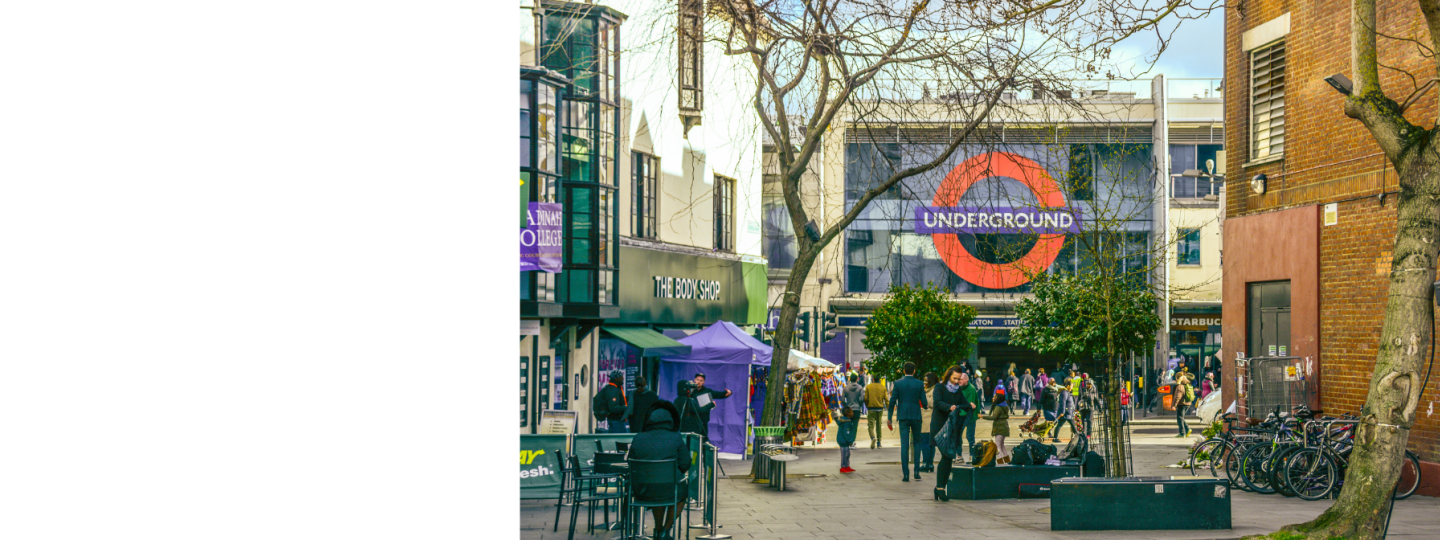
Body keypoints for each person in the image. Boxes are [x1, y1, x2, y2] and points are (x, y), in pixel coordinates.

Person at [628, 401, 690, 539]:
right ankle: (665, 530)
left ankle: (658, 528)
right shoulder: (675, 437)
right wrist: (675, 473)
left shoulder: (638, 437)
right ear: (670, 421)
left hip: (643, 490)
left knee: (656, 489)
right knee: (679, 494)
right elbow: (686, 463)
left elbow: (630, 462)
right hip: (670, 487)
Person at [931, 367, 975, 501]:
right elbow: (937, 402)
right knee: (946, 455)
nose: (956, 381)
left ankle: (940, 487)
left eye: (958, 379)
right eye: (954, 378)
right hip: (940, 427)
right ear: (948, 376)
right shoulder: (939, 387)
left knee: (949, 457)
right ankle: (940, 488)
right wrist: (949, 407)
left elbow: (963, 403)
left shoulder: (957, 390)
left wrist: (970, 405)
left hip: (951, 427)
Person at [887, 362, 928, 482]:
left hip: (903, 416)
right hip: (916, 416)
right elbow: (924, 402)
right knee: (917, 443)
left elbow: (892, 402)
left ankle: (906, 474)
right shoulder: (919, 384)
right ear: (914, 371)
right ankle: (916, 472)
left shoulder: (898, 383)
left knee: (904, 444)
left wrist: (889, 418)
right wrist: (925, 406)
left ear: (904, 370)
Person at [983, 388, 1011, 463]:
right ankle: (1007, 460)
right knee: (1002, 445)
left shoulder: (998, 407)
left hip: (999, 427)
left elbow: (994, 417)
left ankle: (1000, 461)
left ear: (998, 398)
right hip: (1004, 426)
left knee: (998, 445)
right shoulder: (1004, 405)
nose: (993, 398)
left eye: (995, 397)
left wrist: (982, 416)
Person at [833, 397, 859, 474]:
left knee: (847, 454)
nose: (853, 413)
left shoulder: (844, 420)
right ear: (848, 414)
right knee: (845, 454)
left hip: (843, 440)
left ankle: (847, 466)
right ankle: (843, 467)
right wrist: (850, 441)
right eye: (851, 412)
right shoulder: (847, 422)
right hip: (844, 441)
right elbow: (846, 433)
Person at [918, 373, 938, 473]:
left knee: (926, 442)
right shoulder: (927, 390)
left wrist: (924, 397)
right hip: (926, 419)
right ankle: (929, 463)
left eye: (926, 380)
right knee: (929, 443)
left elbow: (932, 403)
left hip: (928, 419)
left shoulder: (934, 390)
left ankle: (927, 463)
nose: (924, 382)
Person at [863, 376, 888, 448]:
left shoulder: (868, 387)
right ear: (879, 379)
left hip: (871, 408)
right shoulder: (883, 387)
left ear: (873, 379)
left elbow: (865, 398)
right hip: (880, 408)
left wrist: (868, 405)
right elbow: (886, 399)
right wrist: (888, 407)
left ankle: (873, 437)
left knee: (871, 425)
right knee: (879, 425)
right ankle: (879, 442)